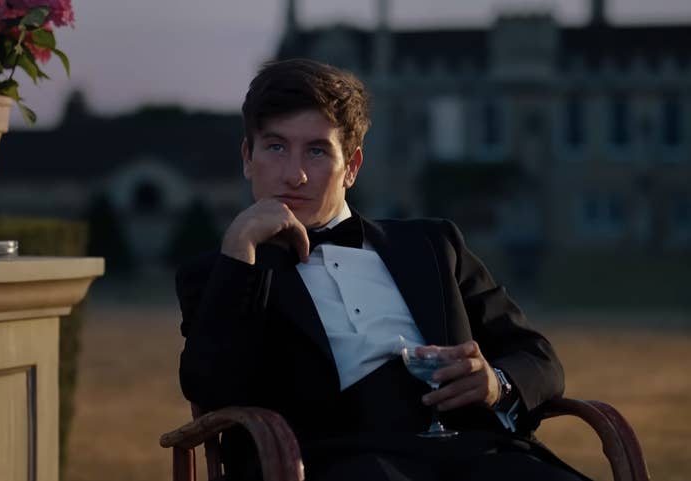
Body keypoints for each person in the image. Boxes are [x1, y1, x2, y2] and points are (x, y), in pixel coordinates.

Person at [177, 58, 588, 481]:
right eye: (276, 147)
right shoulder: (220, 272)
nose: (294, 174)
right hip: (332, 463)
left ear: (351, 167)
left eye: (317, 151)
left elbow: (538, 357)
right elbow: (213, 391)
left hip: (479, 455)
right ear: (248, 157)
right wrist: (239, 250)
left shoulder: (432, 245)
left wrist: (495, 383)